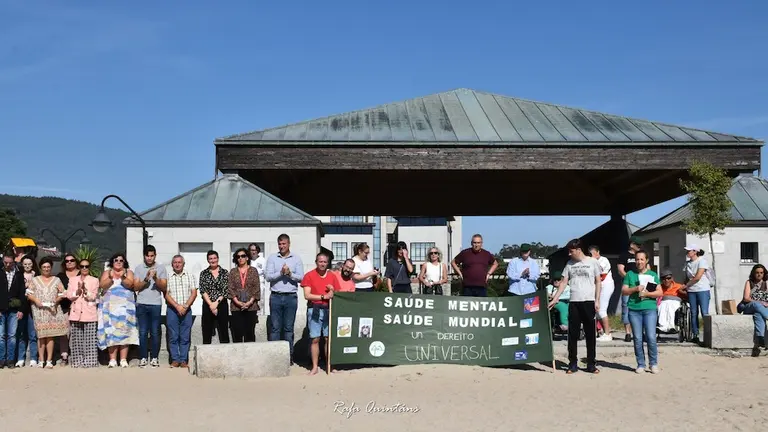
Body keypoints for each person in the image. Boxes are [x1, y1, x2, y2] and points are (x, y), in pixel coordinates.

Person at [548, 239, 601, 374]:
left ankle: (591, 364)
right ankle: (572, 363)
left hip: (588, 301)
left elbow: (598, 281)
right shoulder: (570, 264)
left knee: (590, 334)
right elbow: (564, 282)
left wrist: (597, 300)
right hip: (574, 302)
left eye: (571, 251)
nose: (570, 254)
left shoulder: (592, 262)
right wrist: (555, 298)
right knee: (572, 334)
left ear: (579, 250)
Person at [622, 250, 662, 374]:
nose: (639, 262)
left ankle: (653, 363)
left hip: (649, 309)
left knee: (651, 337)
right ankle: (640, 364)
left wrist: (647, 293)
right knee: (638, 338)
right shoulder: (630, 274)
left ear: (646, 261)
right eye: (637, 259)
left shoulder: (653, 275)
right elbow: (624, 291)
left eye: (641, 259)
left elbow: (660, 292)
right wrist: (635, 289)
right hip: (634, 310)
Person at [26, 257, 69, 369]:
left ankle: (49, 360)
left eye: (48, 267)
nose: (46, 269)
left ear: (51, 268)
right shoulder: (35, 280)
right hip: (39, 311)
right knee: (41, 336)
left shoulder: (56, 279)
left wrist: (56, 301)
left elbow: (62, 293)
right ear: (40, 268)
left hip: (52, 310)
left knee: (50, 336)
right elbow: (29, 294)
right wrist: (36, 300)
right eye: (44, 267)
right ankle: (41, 360)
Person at [97, 253, 139, 368]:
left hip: (126, 308)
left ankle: (123, 359)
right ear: (112, 261)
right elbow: (102, 285)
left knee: (125, 332)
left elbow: (131, 285)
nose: (118, 262)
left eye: (121, 260)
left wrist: (122, 276)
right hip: (110, 308)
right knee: (111, 332)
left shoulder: (128, 272)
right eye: (116, 260)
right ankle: (112, 360)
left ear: (124, 262)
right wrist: (111, 277)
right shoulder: (107, 272)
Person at [265, 234, 303, 360]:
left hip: (291, 297)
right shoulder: (272, 258)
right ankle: (274, 357)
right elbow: (268, 277)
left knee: (288, 329)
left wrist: (290, 274)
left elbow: (301, 278)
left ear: (289, 244)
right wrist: (280, 273)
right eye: (280, 244)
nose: (282, 246)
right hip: (276, 296)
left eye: (284, 244)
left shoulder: (296, 259)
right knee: (275, 328)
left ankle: (288, 356)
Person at [301, 252, 339, 375]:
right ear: (316, 262)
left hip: (329, 309)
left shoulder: (332, 276)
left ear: (327, 263)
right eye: (320, 261)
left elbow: (337, 292)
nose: (322, 264)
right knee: (315, 339)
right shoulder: (309, 275)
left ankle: (330, 365)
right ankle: (315, 366)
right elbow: (307, 295)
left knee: (328, 338)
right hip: (314, 309)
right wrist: (324, 296)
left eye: (324, 262)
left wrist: (332, 291)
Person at [133, 245, 168, 369]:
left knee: (155, 332)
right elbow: (135, 287)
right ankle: (143, 357)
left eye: (152, 255)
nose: (149, 258)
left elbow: (164, 287)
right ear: (144, 256)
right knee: (142, 332)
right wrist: (147, 278)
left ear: (155, 255)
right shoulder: (138, 268)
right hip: (141, 303)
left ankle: (154, 358)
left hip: (155, 304)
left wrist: (155, 277)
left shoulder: (161, 267)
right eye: (147, 255)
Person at [65, 258, 99, 368]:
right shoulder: (72, 280)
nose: (84, 268)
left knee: (90, 339)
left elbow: (93, 296)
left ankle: (90, 361)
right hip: (75, 312)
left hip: (89, 312)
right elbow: (69, 296)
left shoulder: (94, 280)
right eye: (82, 266)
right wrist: (78, 291)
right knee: (76, 339)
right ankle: (76, 361)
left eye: (87, 266)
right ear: (79, 267)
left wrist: (85, 290)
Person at [165, 255, 197, 368]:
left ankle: (183, 360)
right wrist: (177, 306)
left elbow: (194, 292)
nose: (177, 264)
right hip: (172, 310)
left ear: (183, 264)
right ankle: (175, 360)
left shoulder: (190, 275)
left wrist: (186, 306)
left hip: (187, 310)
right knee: (173, 336)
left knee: (185, 336)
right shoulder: (167, 276)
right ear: (172, 264)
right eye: (175, 262)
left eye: (179, 262)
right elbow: (166, 294)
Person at [229, 248, 260, 343]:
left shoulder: (253, 271)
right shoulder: (233, 272)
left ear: (247, 257)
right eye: (238, 257)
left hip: (251, 306)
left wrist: (249, 302)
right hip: (236, 306)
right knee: (237, 333)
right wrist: (237, 302)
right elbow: (230, 288)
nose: (240, 258)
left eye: (243, 256)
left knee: (249, 333)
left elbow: (256, 287)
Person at [199, 250, 230, 344]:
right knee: (207, 330)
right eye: (210, 258)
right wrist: (211, 305)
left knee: (223, 330)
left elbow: (226, 289)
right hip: (208, 304)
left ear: (218, 259)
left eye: (214, 258)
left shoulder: (224, 272)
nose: (213, 260)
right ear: (208, 260)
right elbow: (203, 290)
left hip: (221, 304)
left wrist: (216, 303)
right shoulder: (204, 273)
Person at [737, 264, 768, 356]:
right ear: (753, 273)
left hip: (761, 309)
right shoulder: (749, 282)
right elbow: (746, 298)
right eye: (757, 273)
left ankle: (760, 338)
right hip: (748, 307)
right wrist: (761, 302)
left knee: (758, 315)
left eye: (761, 273)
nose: (759, 275)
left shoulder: (766, 283)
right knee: (756, 304)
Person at [682, 245, 711, 344]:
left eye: (689, 251)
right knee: (693, 313)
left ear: (695, 251)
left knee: (704, 312)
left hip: (702, 289)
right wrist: (685, 286)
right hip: (691, 290)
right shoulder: (687, 263)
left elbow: (698, 277)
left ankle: (708, 335)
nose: (688, 252)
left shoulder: (702, 261)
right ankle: (695, 334)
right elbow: (686, 277)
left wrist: (686, 285)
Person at [1, 253, 25, 368]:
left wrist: (21, 310)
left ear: (14, 262)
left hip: (14, 309)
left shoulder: (19, 274)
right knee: (1, 335)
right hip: (1, 309)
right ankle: (1, 359)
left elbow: (22, 293)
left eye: (10, 263)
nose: (8, 264)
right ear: (3, 261)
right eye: (6, 262)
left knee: (12, 335)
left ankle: (10, 360)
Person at [15, 255, 39, 367]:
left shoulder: (37, 276)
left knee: (33, 334)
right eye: (25, 264)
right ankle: (20, 358)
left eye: (29, 264)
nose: (27, 266)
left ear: (33, 264)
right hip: (21, 308)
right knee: (21, 334)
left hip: (34, 308)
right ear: (22, 265)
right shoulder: (18, 275)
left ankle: (33, 358)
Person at [589, 245, 615, 342]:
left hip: (606, 286)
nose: (591, 256)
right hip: (598, 287)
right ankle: (603, 332)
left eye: (592, 254)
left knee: (602, 310)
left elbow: (602, 276)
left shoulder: (604, 260)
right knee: (597, 310)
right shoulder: (591, 262)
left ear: (597, 252)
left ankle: (608, 334)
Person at [617, 237, 641, 342]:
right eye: (638, 245)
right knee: (626, 307)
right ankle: (628, 333)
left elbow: (647, 268)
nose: (640, 247)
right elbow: (620, 270)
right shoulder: (624, 255)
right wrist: (629, 280)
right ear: (632, 245)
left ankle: (638, 331)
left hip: (640, 284)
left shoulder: (641, 255)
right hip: (628, 284)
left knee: (639, 307)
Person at [656, 269, 685, 333]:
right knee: (663, 305)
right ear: (661, 280)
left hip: (675, 302)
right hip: (663, 302)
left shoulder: (679, 286)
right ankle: (663, 326)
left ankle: (671, 326)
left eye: (668, 278)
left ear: (672, 278)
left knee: (670, 305)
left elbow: (686, 296)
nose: (666, 280)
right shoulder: (660, 287)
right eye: (664, 278)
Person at [249, 243, 267, 317]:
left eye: (254, 250)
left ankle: (259, 316)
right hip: (249, 284)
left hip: (259, 284)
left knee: (259, 302)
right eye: (251, 250)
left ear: (257, 251)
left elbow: (266, 274)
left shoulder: (262, 260)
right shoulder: (247, 260)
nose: (253, 252)